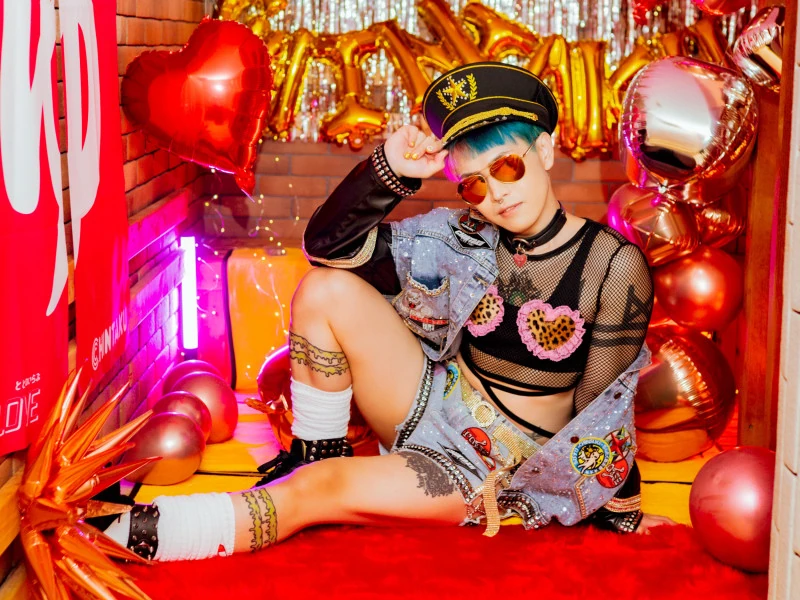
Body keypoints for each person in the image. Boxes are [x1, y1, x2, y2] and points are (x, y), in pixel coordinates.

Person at [104, 62, 673, 562]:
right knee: (324, 288)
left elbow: (603, 407)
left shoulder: (612, 263)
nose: (496, 195)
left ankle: (109, 537)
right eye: (474, 185)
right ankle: (312, 453)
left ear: (544, 151)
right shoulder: (462, 237)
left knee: (318, 490)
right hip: (430, 401)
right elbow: (327, 248)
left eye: (506, 167)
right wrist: (391, 169)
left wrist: (619, 512)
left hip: (488, 466)